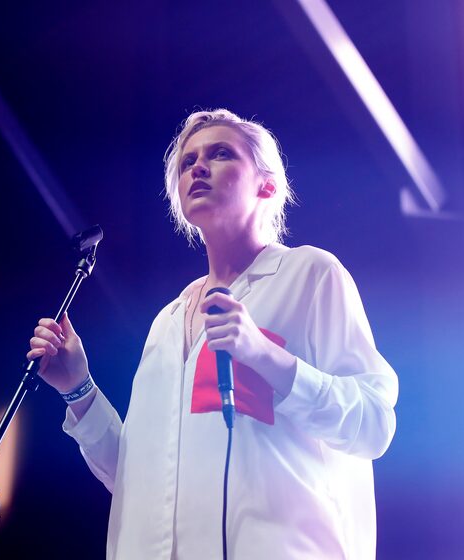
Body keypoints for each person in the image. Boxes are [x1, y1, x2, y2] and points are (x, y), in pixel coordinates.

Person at [27, 109, 399, 559]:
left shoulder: (310, 276)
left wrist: (265, 356)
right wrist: (77, 388)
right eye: (187, 162)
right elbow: (138, 479)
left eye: (221, 154)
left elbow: (374, 425)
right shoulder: (168, 321)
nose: (198, 167)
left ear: (267, 185)